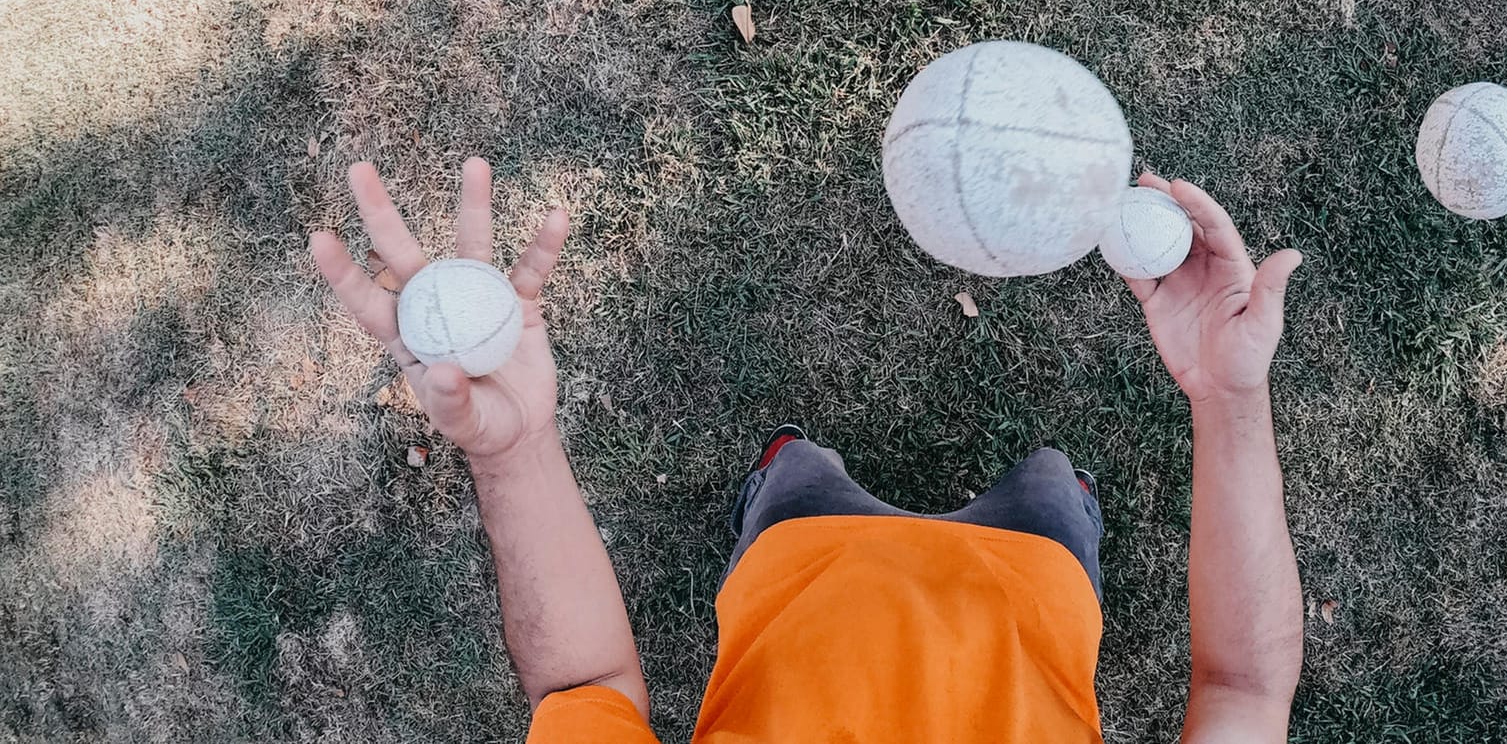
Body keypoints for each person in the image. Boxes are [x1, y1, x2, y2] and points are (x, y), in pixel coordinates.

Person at [311, 157, 1306, 743]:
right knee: (1052, 480)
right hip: (1034, 568)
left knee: (797, 470)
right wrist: (1228, 394)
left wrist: (517, 450)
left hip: (805, 553)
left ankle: (785, 472)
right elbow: (1244, 691)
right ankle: (1060, 495)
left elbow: (582, 694)